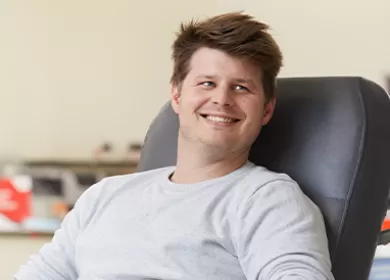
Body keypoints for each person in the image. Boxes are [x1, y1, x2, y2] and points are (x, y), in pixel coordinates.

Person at [14, 12, 334, 280]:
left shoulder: (267, 199)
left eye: (241, 87)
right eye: (207, 83)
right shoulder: (105, 196)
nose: (222, 99)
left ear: (266, 109)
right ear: (177, 95)